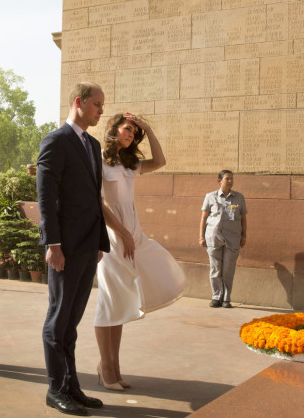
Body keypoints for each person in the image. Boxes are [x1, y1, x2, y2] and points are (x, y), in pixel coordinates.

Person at [94, 113, 187, 392]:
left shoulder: (130, 163)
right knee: (109, 303)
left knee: (122, 304)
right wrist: (121, 233)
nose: (131, 134)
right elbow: (96, 203)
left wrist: (148, 127)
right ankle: (105, 366)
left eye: (135, 132)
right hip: (112, 236)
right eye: (127, 129)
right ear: (114, 129)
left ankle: (114, 367)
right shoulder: (98, 159)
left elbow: (160, 162)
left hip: (134, 235)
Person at [37, 82, 110, 416]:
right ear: (79, 102)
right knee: (58, 318)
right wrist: (52, 244)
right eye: (97, 104)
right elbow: (46, 198)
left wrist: (98, 242)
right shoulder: (56, 141)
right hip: (64, 247)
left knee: (71, 322)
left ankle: (71, 385)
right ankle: (56, 389)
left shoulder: (92, 145)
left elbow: (94, 198)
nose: (101, 111)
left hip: (87, 247)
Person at [199, 170, 247, 308]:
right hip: (213, 237)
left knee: (228, 270)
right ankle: (216, 297)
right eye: (227, 179)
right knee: (215, 269)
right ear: (219, 181)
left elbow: (243, 219)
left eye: (232, 179)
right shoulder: (210, 197)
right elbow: (203, 218)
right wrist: (201, 237)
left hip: (232, 238)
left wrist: (244, 236)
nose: (230, 181)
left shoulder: (239, 197)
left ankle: (226, 298)